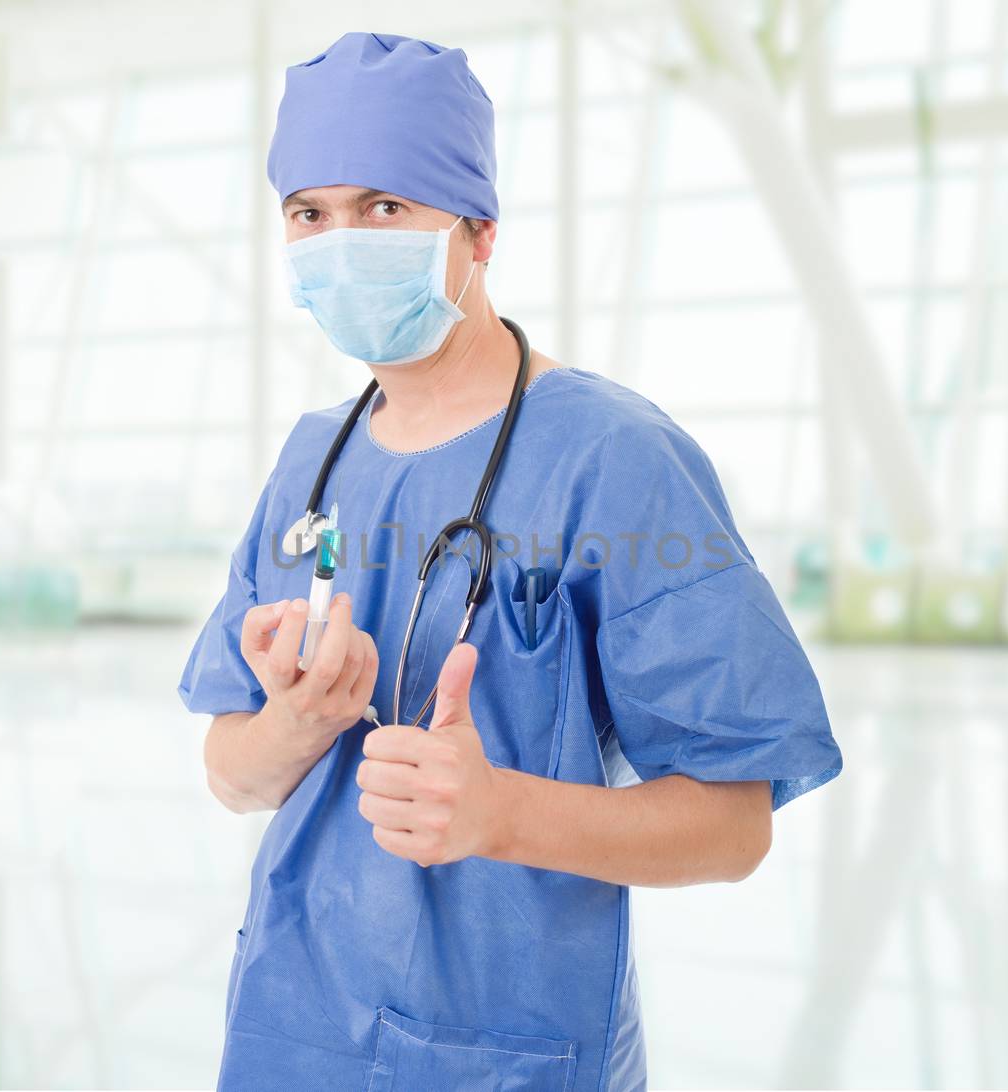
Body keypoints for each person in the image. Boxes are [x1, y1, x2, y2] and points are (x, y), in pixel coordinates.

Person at [178, 30, 842, 1092]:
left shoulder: (613, 461)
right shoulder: (314, 460)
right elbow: (231, 774)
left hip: (509, 1053)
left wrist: (501, 815)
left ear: (478, 231)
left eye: (384, 207)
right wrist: (297, 721)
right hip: (292, 1030)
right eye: (311, 214)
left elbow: (734, 825)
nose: (341, 242)